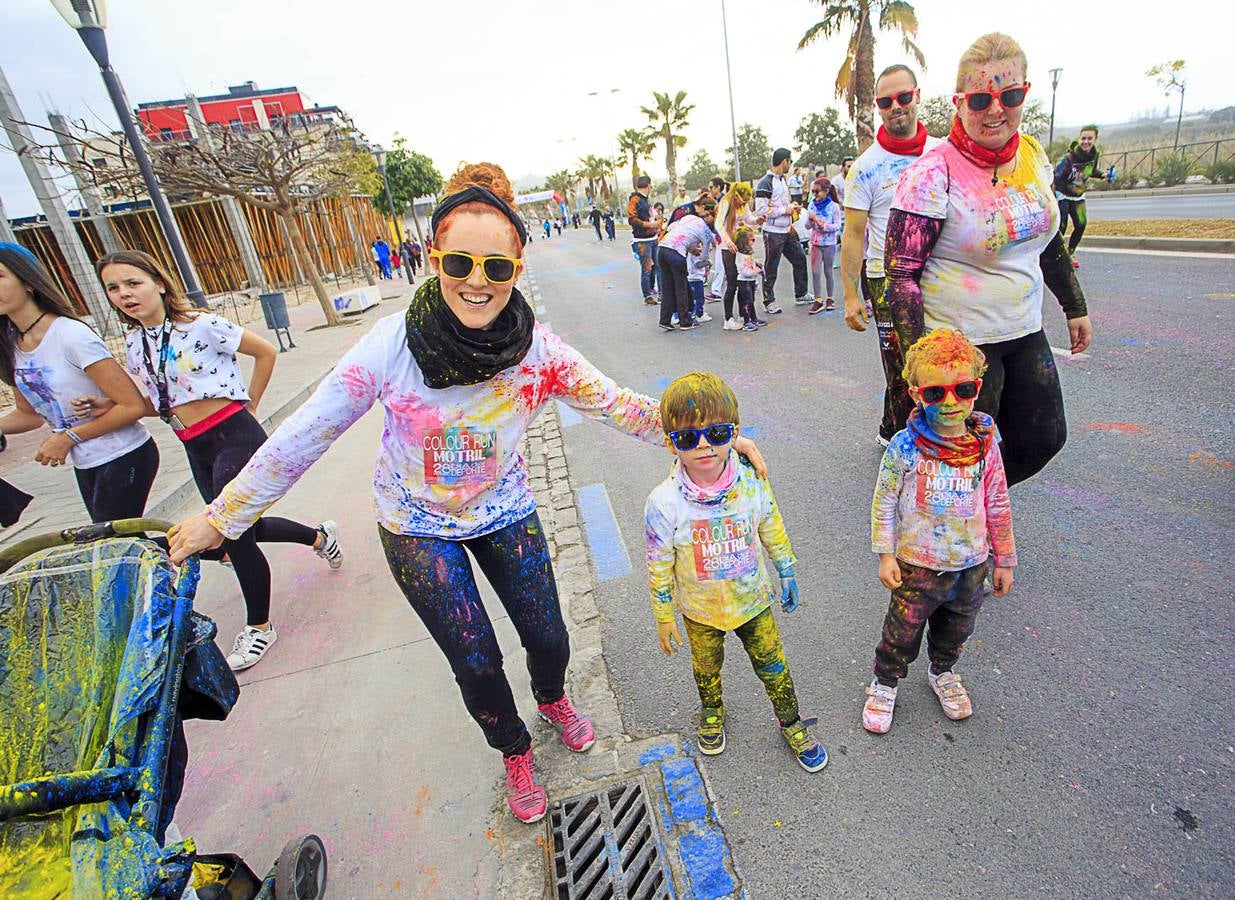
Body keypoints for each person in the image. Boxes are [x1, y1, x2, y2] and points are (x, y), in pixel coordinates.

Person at [166, 163, 768, 824]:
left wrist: (706, 437)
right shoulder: (389, 347)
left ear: (516, 263)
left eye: (495, 267)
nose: (477, 283)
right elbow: (304, 434)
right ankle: (512, 748)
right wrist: (221, 518)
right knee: (476, 660)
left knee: (549, 638)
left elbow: (618, 405)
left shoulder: (537, 351)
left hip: (504, 511)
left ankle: (552, 698)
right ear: (433, 260)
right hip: (415, 525)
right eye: (460, 262)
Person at [93, 249, 343, 672]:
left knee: (234, 533)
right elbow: (154, 398)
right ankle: (320, 538)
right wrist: (101, 404)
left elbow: (265, 352)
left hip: (234, 435)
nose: (124, 294)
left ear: (160, 283)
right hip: (193, 444)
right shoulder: (136, 343)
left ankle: (260, 626)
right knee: (236, 529)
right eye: (113, 288)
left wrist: (251, 405)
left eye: (133, 283)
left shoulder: (202, 324)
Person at [885, 32, 1091, 486]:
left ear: (1025, 94)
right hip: (961, 343)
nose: (996, 110)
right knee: (958, 453)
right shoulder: (931, 173)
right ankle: (943, 538)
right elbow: (900, 276)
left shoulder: (1033, 154)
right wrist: (920, 364)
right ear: (958, 103)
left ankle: (974, 508)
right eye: (981, 100)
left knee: (1044, 437)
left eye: (1010, 95)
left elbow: (1048, 236)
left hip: (1023, 327)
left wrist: (1074, 307)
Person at [644, 372, 827, 771]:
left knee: (773, 663)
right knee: (706, 667)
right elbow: (658, 564)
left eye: (717, 432)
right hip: (700, 611)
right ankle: (712, 711)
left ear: (736, 431)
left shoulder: (751, 482)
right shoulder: (664, 503)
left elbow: (771, 525)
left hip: (754, 601)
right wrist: (663, 615)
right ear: (670, 440)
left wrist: (787, 569)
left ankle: (791, 720)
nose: (705, 445)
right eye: (688, 438)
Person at [863, 329, 1015, 732]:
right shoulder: (905, 446)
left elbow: (997, 501)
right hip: (917, 566)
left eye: (962, 389)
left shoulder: (985, 444)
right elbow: (884, 501)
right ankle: (885, 682)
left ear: (977, 388)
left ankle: (943, 671)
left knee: (957, 627)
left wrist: (1005, 560)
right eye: (935, 393)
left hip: (971, 565)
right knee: (901, 630)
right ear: (916, 394)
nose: (950, 402)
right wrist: (885, 554)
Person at [0, 242, 157, 523]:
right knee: (116, 547)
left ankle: (207, 546)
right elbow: (29, 415)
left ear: (27, 282)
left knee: (110, 545)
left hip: (124, 453)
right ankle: (207, 548)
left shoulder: (71, 335)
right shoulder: (11, 347)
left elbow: (132, 405)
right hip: (85, 462)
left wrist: (68, 437)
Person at [843, 63, 939, 445]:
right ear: (878, 107)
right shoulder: (866, 168)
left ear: (917, 96)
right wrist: (851, 295)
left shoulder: (942, 153)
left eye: (903, 97)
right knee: (902, 367)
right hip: (886, 280)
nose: (896, 106)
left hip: (939, 275)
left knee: (937, 360)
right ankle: (906, 443)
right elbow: (853, 235)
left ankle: (894, 426)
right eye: (886, 101)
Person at [755, 149, 809, 312]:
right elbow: (761, 210)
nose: (790, 166)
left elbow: (782, 203)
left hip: (787, 229)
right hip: (772, 232)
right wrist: (785, 210)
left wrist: (793, 207)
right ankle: (768, 301)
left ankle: (801, 294)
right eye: (790, 162)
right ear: (784, 161)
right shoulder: (765, 182)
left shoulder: (782, 181)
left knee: (799, 258)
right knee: (771, 267)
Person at [656, 196, 717, 332]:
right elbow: (705, 253)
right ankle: (685, 321)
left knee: (667, 288)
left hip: (663, 248)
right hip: (676, 254)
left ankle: (665, 320)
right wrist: (703, 261)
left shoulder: (689, 218)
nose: (709, 218)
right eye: (710, 215)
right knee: (681, 288)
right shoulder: (706, 230)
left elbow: (673, 228)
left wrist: (690, 249)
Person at [1053, 126, 1111, 266]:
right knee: (1061, 227)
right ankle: (1057, 257)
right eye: (1083, 138)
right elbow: (1056, 176)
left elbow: (1090, 171)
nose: (1086, 141)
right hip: (1063, 195)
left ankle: (1070, 252)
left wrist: (1102, 175)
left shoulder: (1094, 155)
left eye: (1089, 138)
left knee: (1081, 224)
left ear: (1095, 139)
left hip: (1079, 196)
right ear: (1079, 139)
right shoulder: (1069, 157)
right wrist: (1055, 196)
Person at [715, 182, 758, 331]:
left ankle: (743, 316)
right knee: (732, 282)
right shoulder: (726, 203)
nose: (744, 203)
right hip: (728, 248)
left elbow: (749, 218)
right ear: (736, 195)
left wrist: (758, 220)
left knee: (742, 282)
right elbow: (718, 224)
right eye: (743, 200)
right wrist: (727, 241)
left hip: (740, 246)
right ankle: (728, 319)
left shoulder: (742, 204)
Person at [804, 177, 842, 315]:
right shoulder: (812, 205)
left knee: (828, 271)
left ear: (826, 191)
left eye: (817, 192)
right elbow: (807, 226)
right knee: (815, 272)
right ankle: (818, 299)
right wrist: (810, 220)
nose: (815, 195)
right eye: (813, 192)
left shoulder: (834, 207)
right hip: (815, 243)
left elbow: (837, 225)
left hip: (829, 243)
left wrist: (824, 226)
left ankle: (830, 298)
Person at [628, 176, 661, 305]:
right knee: (647, 268)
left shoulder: (646, 200)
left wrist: (656, 221)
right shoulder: (635, 200)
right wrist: (649, 225)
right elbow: (632, 219)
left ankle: (662, 293)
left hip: (653, 238)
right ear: (649, 185)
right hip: (642, 240)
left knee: (659, 267)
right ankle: (647, 296)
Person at [733, 227, 764, 333]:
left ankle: (753, 318)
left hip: (750, 280)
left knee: (751, 300)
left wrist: (757, 266)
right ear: (744, 241)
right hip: (744, 281)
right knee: (747, 301)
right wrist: (756, 270)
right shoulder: (741, 255)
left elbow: (751, 265)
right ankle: (746, 321)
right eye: (752, 240)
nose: (754, 241)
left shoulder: (748, 253)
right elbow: (744, 271)